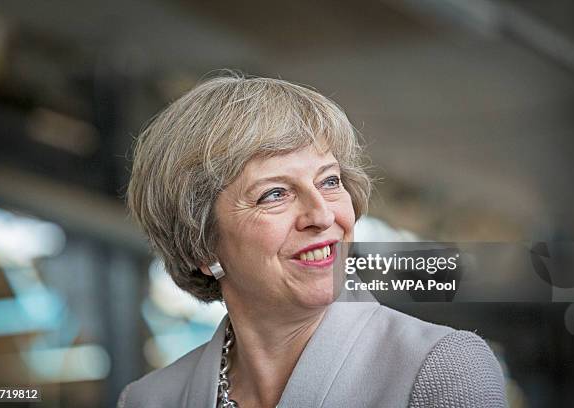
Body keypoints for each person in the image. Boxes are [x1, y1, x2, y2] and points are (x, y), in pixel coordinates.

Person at [120, 72, 506, 407]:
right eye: (274, 194)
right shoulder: (149, 401)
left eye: (330, 182)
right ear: (201, 245)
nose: (322, 215)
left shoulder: (442, 369)